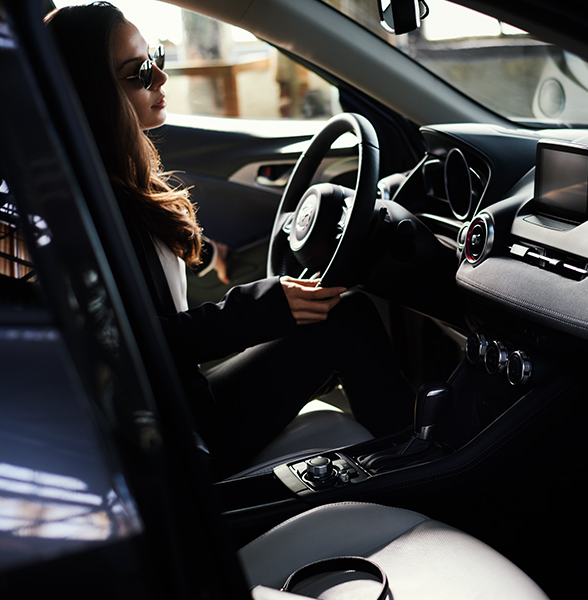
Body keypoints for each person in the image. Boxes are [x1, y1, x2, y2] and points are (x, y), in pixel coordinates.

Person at [44, 2, 414, 477]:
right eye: (140, 73)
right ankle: (415, 470)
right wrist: (261, 306)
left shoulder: (112, 178)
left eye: (156, 58)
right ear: (93, 95)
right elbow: (131, 342)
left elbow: (145, 287)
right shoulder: (90, 205)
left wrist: (222, 260)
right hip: (177, 433)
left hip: (177, 397)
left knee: (337, 317)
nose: (161, 77)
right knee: (347, 318)